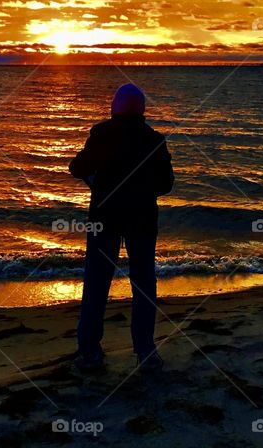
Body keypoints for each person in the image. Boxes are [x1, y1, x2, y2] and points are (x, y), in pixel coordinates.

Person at [69, 82, 174, 372]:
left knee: (97, 284)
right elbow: (166, 184)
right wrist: (143, 189)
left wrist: (96, 181)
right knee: (143, 285)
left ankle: (90, 351)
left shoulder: (102, 134)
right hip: (141, 219)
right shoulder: (154, 140)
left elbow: (76, 167)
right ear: (142, 110)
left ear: (114, 108)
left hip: (106, 219)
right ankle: (145, 351)